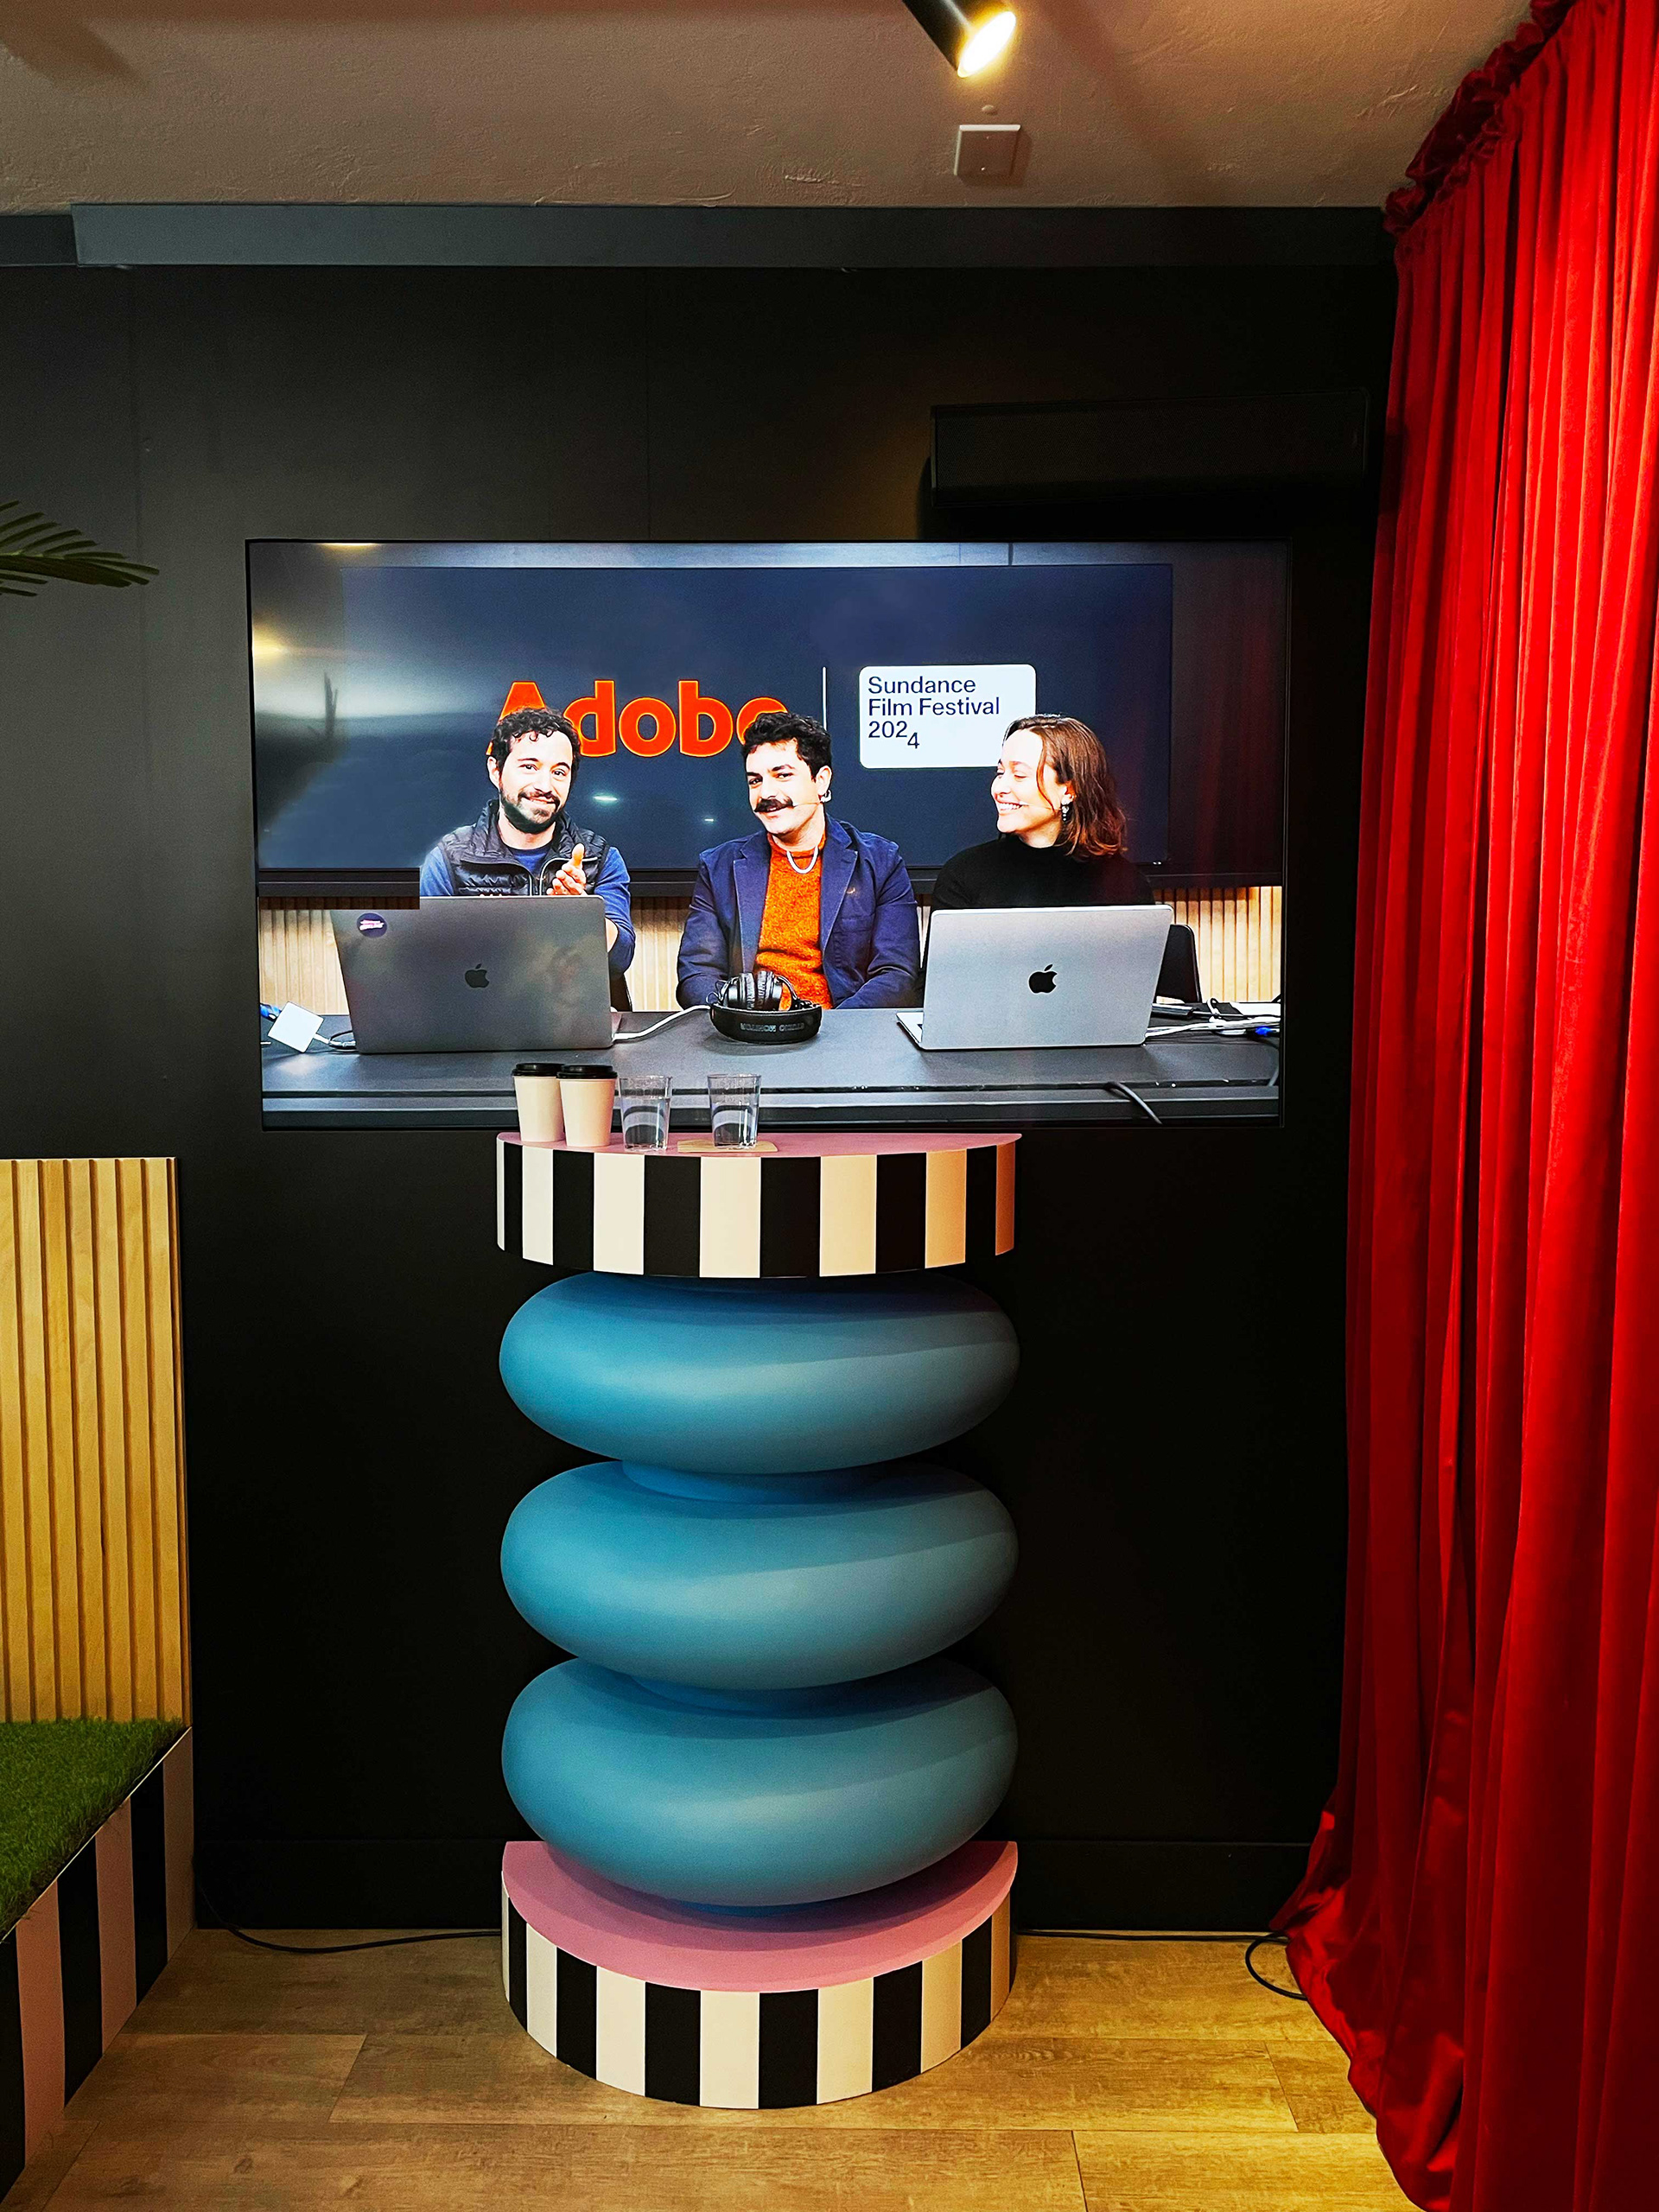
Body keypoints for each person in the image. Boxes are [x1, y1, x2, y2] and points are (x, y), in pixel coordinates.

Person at [677, 710, 920, 1009]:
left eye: (783, 775)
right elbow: (697, 974)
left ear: (821, 781)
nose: (766, 793)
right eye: (755, 781)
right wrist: (737, 1016)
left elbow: (896, 975)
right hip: (749, 1031)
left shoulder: (880, 862)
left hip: (844, 1030)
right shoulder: (718, 868)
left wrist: (829, 1028)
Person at [421, 706, 634, 988]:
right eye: (529, 767)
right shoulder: (449, 859)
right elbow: (424, 968)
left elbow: (620, 961)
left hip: (570, 1012)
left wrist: (582, 914)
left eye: (559, 772)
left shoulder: (600, 858)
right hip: (478, 1012)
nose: (545, 785)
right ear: (495, 770)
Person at [929, 714, 1151, 914]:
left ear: (1069, 790)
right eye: (1000, 772)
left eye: (1019, 775)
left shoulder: (1125, 885)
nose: (999, 788)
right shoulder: (963, 876)